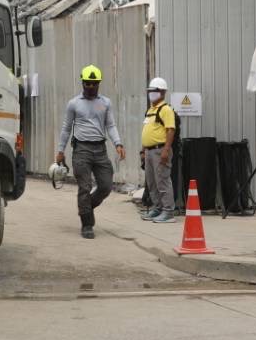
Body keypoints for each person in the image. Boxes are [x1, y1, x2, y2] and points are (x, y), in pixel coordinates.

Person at [55, 64, 124, 239]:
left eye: (94, 84)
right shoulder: (74, 104)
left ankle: (85, 207)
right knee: (84, 187)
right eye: (87, 83)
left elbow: (110, 125)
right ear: (82, 83)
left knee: (106, 186)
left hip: (100, 150)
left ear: (99, 83)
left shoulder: (105, 103)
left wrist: (118, 143)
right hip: (81, 150)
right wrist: (60, 150)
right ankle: (87, 224)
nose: (90, 87)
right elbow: (66, 128)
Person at [139, 77, 176, 224]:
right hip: (149, 151)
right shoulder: (150, 110)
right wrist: (142, 150)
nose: (151, 94)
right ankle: (157, 208)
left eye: (155, 91)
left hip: (160, 150)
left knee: (162, 181)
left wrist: (166, 149)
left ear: (162, 92)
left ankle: (168, 211)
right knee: (152, 182)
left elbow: (171, 130)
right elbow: (146, 130)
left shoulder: (165, 109)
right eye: (150, 91)